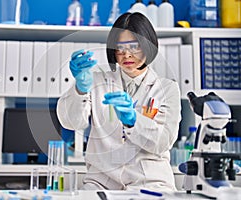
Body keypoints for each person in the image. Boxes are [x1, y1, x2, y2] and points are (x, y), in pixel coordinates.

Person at [57, 12, 181, 192]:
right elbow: (71, 122)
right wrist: (80, 89)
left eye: (134, 47)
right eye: (120, 48)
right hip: (101, 182)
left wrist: (133, 121)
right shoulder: (96, 81)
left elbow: (163, 142)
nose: (126, 55)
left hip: (150, 182)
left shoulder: (167, 88)